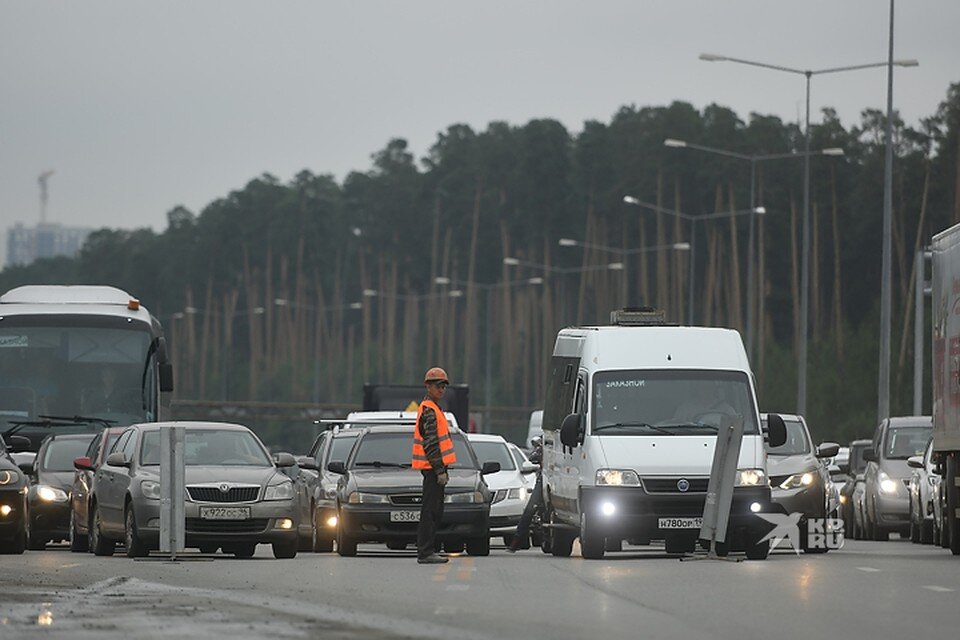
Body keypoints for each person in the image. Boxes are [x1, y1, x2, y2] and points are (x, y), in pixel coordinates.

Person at [412, 367, 457, 565]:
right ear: (428, 387)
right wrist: (439, 470)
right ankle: (425, 551)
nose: (441, 390)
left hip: (434, 469)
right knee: (430, 511)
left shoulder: (434, 408)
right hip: (432, 470)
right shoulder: (429, 411)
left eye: (444, 386)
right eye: (438, 386)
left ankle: (429, 549)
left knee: (434, 510)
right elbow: (431, 443)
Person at [507, 436, 543, 553]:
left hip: (564, 480)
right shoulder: (545, 445)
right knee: (529, 509)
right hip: (544, 480)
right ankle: (517, 541)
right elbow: (533, 457)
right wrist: (541, 451)